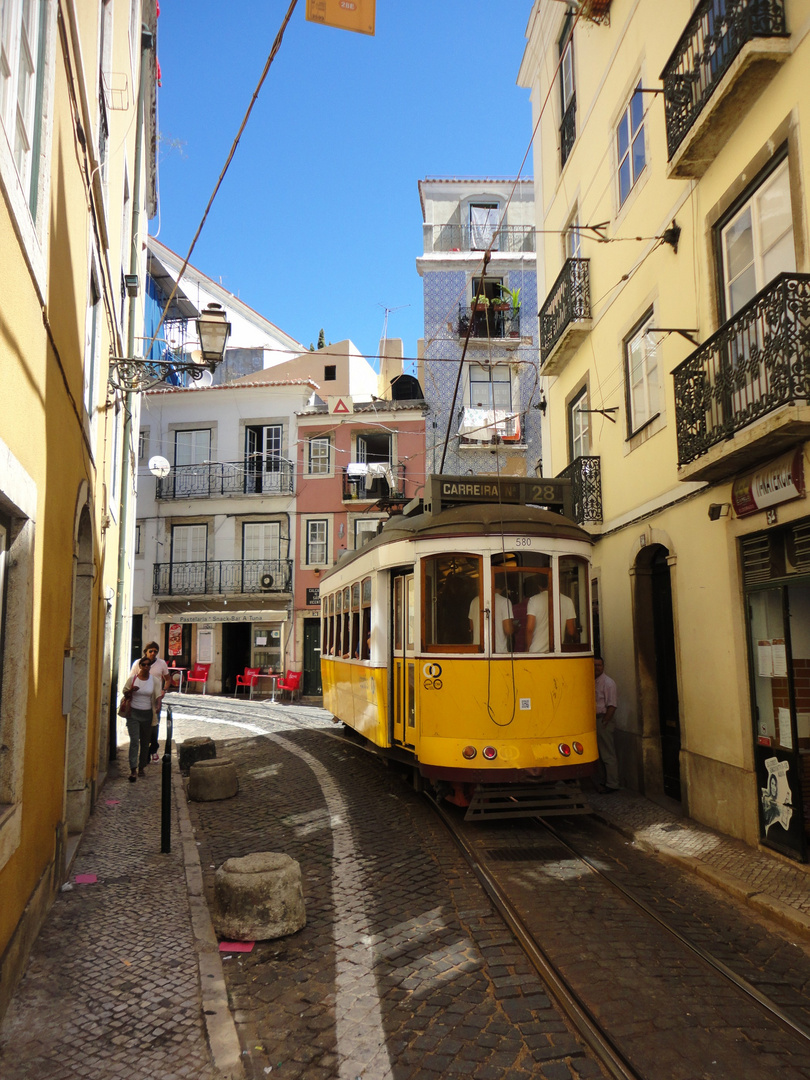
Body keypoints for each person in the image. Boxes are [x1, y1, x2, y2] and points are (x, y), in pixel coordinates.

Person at [121, 657, 161, 783]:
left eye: (148, 665)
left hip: (147, 714)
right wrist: (131, 691)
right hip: (133, 713)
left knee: (145, 742)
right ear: (140, 666)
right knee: (134, 741)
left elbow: (158, 696)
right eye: (143, 664)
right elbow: (125, 694)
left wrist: (158, 705)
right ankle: (133, 769)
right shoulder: (133, 680)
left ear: (150, 667)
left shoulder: (154, 681)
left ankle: (142, 766)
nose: (145, 666)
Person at [130, 642, 170, 761]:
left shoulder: (161, 663)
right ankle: (145, 752)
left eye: (155, 651)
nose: (153, 653)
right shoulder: (138, 663)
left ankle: (153, 748)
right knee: (143, 726)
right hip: (140, 698)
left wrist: (164, 690)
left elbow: (168, 679)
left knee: (154, 725)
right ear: (146, 652)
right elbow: (131, 679)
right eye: (151, 651)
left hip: (155, 699)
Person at [526, 577, 577, 652]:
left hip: (536, 651)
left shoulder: (533, 600)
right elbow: (571, 631)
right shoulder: (567, 601)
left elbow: (530, 629)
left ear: (539, 586)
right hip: (556, 651)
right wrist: (577, 636)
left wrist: (527, 649)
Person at [594, 656, 619, 793]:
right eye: (594, 665)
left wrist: (605, 722)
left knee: (607, 754)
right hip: (594, 721)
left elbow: (612, 705)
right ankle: (603, 781)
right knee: (599, 754)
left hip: (603, 720)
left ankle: (612, 784)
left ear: (603, 666)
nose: (596, 668)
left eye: (599, 665)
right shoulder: (592, 681)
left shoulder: (608, 683)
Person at [469, 588, 514, 652]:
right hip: (499, 652)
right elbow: (508, 630)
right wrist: (515, 627)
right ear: (502, 587)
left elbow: (472, 627)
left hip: (478, 651)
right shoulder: (504, 602)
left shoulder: (474, 601)